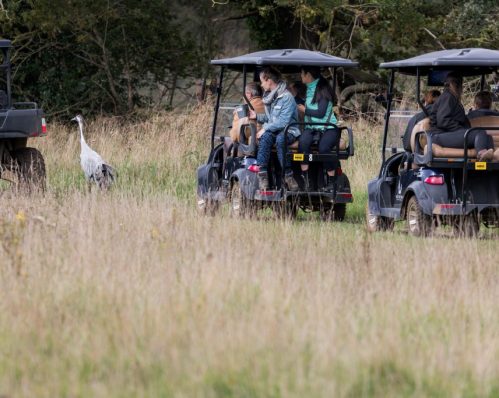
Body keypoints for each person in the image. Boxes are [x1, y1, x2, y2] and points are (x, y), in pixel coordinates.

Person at [248, 67, 300, 191]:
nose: (261, 84)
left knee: (281, 139)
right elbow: (271, 118)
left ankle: (288, 175)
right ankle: (263, 175)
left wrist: (265, 128)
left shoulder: (286, 97)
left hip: (289, 130)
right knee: (265, 138)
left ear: (269, 80)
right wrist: (257, 116)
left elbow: (283, 122)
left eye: (262, 81)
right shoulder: (270, 96)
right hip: (275, 130)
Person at [429, 72, 494, 161]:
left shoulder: (451, 97)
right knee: (479, 132)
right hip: (439, 135)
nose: (461, 88)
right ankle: (482, 155)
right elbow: (443, 120)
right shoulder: (447, 97)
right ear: (452, 85)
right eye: (459, 84)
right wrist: (461, 130)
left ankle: (491, 161)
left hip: (447, 134)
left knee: (487, 136)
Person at [297, 66, 339, 192]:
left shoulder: (323, 89)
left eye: (302, 74)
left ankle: (331, 182)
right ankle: (306, 180)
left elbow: (321, 113)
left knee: (323, 148)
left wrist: (305, 110)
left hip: (328, 128)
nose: (301, 76)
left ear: (308, 75)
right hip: (311, 128)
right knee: (302, 145)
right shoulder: (309, 89)